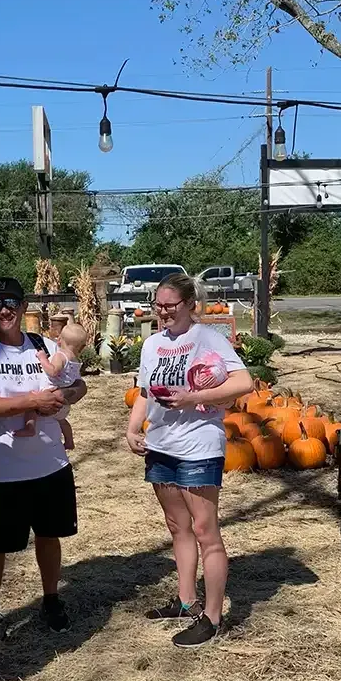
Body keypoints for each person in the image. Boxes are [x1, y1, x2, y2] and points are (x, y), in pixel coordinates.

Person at [125, 273, 253, 648]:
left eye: (170, 306)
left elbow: (244, 383)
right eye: (158, 306)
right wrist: (133, 428)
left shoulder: (208, 339)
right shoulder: (152, 345)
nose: (162, 313)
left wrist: (194, 395)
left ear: (190, 305)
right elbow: (145, 392)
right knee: (177, 527)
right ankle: (185, 601)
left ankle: (212, 618)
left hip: (198, 447)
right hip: (161, 446)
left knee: (204, 531)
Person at [0, 277, 87, 641]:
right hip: (3, 469)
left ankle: (51, 599)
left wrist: (64, 394)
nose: (5, 310)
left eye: (12, 303)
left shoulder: (44, 345)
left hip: (50, 464)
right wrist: (34, 402)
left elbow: (78, 385)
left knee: (50, 536)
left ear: (22, 308)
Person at [16, 319, 88, 449]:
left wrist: (43, 358)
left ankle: (30, 427)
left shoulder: (60, 355)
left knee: (31, 406)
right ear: (82, 347)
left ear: (59, 340)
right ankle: (69, 440)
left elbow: (53, 371)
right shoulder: (75, 360)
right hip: (64, 402)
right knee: (62, 421)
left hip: (50, 393)